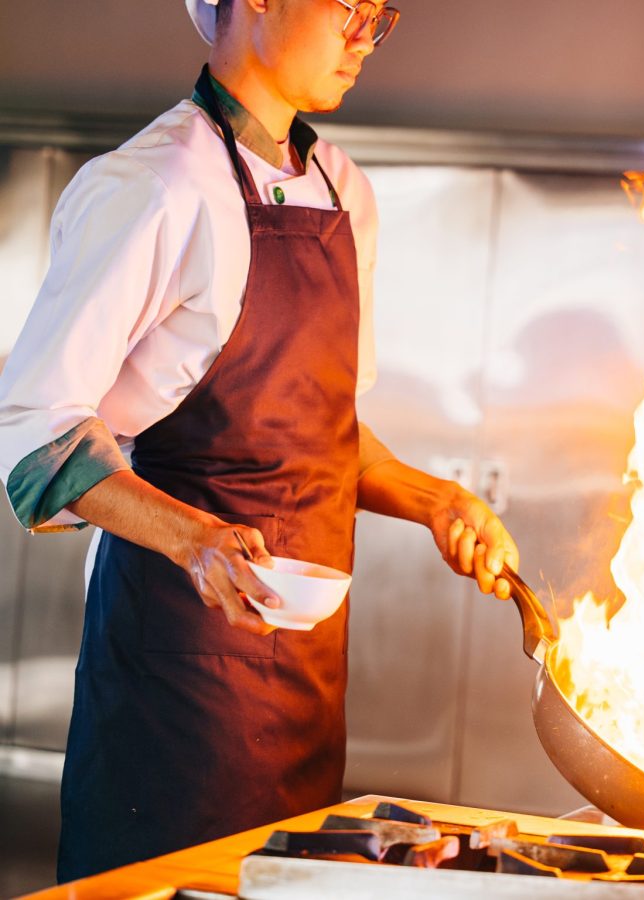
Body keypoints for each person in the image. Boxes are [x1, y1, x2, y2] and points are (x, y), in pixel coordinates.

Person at [0, 0, 519, 883]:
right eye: (349, 7)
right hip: (171, 691)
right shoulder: (156, 185)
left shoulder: (345, 192)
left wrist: (439, 501)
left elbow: (323, 433)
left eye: (381, 13)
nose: (366, 35)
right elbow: (32, 434)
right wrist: (193, 540)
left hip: (306, 691)